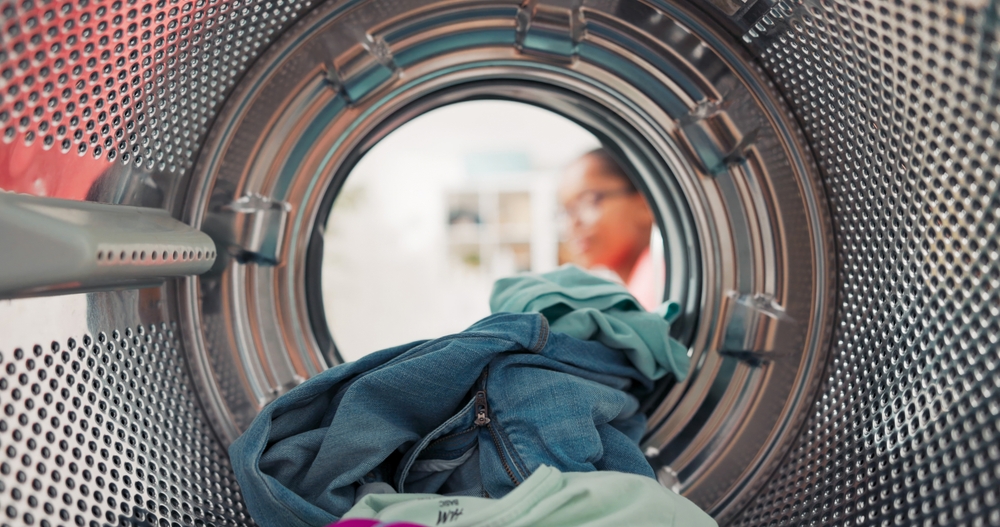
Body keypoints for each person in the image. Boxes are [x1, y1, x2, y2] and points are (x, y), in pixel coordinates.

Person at [558, 147, 664, 310]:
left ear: (645, 205)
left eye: (588, 201)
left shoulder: (657, 277)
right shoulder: (636, 289)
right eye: (568, 210)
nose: (573, 223)